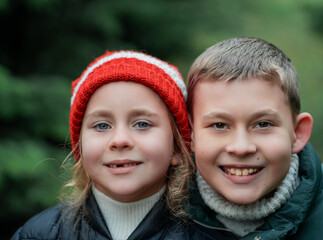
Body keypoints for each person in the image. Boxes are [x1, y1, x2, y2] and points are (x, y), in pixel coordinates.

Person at [11, 50, 225, 240]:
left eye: (142, 124)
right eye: (102, 126)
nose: (120, 140)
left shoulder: (206, 235)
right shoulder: (40, 233)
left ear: (178, 147)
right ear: (80, 147)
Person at [186, 37, 323, 239]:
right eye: (219, 125)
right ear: (190, 134)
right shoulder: (160, 212)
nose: (241, 147)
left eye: (263, 124)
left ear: (298, 133)